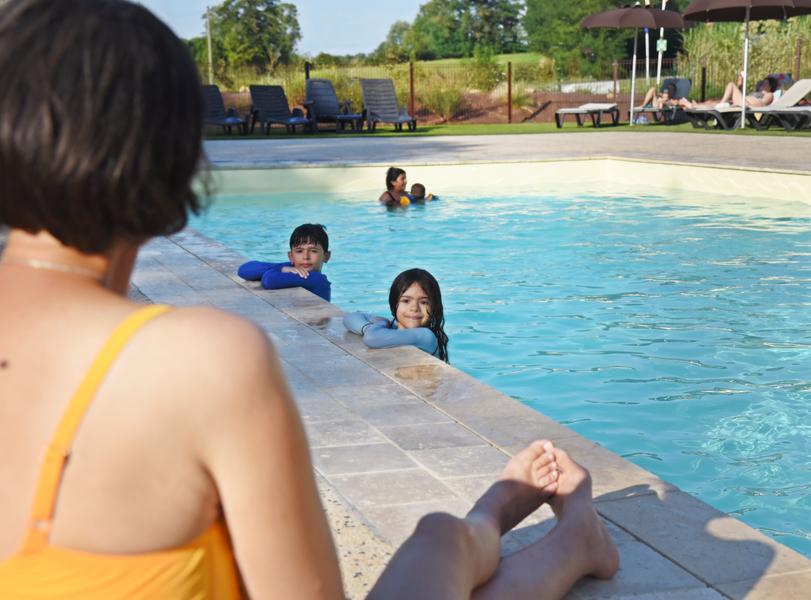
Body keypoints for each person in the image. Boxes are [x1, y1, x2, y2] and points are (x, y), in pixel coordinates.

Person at [0, 1, 619, 598]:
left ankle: (508, 529)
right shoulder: (199, 360)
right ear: (166, 164)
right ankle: (535, 533)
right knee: (437, 541)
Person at [344, 268, 450, 362]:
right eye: (406, 301)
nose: (414, 308)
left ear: (434, 307)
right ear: (394, 304)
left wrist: (381, 323)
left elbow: (371, 338)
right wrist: (369, 327)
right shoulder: (392, 328)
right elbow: (350, 317)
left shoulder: (426, 336)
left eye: (424, 302)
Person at [237, 223, 331, 302]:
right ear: (291, 256)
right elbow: (244, 270)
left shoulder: (317, 279)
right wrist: (283, 268)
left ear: (326, 257)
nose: (305, 257)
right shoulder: (291, 268)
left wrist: (280, 268)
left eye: (313, 251)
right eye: (299, 251)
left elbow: (268, 280)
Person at [679, 74, 778, 110]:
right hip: (742, 102)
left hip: (747, 105)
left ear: (771, 86)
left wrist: (748, 105)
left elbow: (762, 104)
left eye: (765, 83)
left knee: (731, 85)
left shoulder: (770, 94)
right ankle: (694, 106)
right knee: (712, 102)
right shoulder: (757, 92)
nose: (762, 85)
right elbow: (744, 95)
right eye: (763, 83)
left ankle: (722, 104)